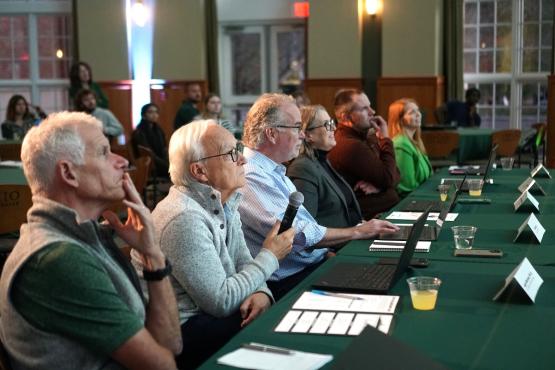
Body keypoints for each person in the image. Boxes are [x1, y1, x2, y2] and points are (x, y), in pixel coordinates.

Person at [0, 112, 181, 369]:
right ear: (68, 172)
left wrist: (151, 253)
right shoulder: (58, 258)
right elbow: (161, 365)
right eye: (104, 153)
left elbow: (170, 345)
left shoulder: (87, 234)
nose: (122, 161)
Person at [143, 120, 294, 369]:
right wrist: (270, 255)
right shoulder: (184, 217)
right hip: (186, 330)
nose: (243, 160)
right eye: (233, 153)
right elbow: (220, 301)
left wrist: (261, 293)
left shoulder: (224, 200)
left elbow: (244, 263)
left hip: (214, 314)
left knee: (278, 314)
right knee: (283, 329)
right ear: (199, 171)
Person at [239, 93, 399, 300]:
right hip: (292, 282)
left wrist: (327, 253)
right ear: (271, 133)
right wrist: (357, 232)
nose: (302, 135)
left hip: (312, 267)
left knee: (389, 275)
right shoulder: (252, 175)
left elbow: (308, 226)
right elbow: (299, 234)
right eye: (297, 127)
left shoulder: (274, 171)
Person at [287, 105, 363, 234]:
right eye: (327, 124)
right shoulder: (303, 167)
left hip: (350, 238)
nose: (334, 128)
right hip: (333, 249)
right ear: (308, 134)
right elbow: (305, 227)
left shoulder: (322, 160)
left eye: (332, 122)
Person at [328, 89, 401, 220]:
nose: (372, 112)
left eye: (370, 106)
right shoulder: (350, 145)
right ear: (345, 117)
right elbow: (389, 178)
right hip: (368, 221)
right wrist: (385, 138)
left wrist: (380, 186)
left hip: (382, 215)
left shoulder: (366, 138)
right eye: (364, 109)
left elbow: (397, 174)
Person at [388, 98, 432, 195]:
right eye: (412, 112)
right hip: (411, 202)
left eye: (418, 110)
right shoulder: (401, 144)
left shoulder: (415, 141)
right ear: (400, 120)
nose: (418, 114)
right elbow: (407, 187)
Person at [131, 103, 169, 178]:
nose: (154, 114)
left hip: (159, 160)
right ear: (143, 115)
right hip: (149, 163)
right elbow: (147, 153)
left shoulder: (158, 130)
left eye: (156, 112)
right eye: (150, 112)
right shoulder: (139, 131)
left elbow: (164, 149)